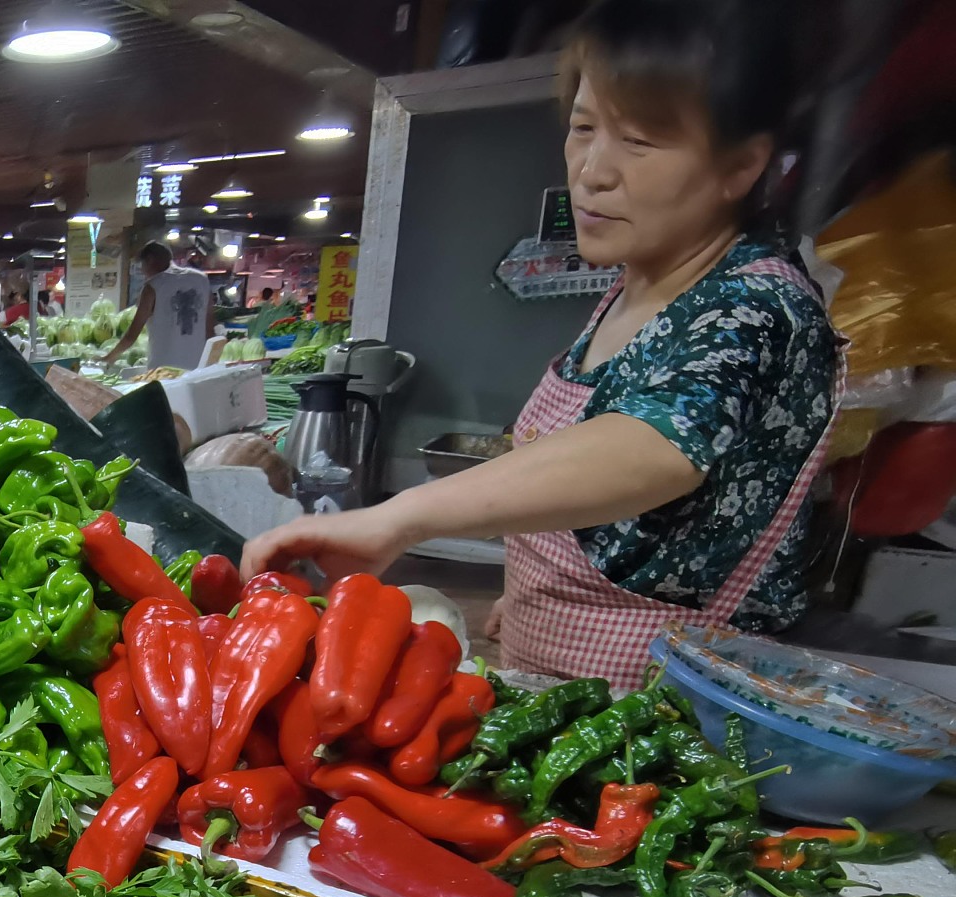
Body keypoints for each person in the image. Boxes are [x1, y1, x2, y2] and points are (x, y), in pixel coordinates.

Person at [243, 0, 840, 689]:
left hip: (665, 720)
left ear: (741, 165)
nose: (592, 171)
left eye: (639, 142)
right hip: (560, 687)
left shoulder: (757, 304)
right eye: (583, 128)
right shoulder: (637, 288)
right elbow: (624, 525)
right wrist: (527, 597)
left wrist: (397, 519)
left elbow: (649, 447)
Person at [103, 242, 213, 372]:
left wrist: (108, 358)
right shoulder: (202, 280)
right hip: (196, 368)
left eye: (142, 265)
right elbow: (210, 328)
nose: (143, 272)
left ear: (149, 260)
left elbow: (131, 336)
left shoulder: (153, 286)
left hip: (162, 371)